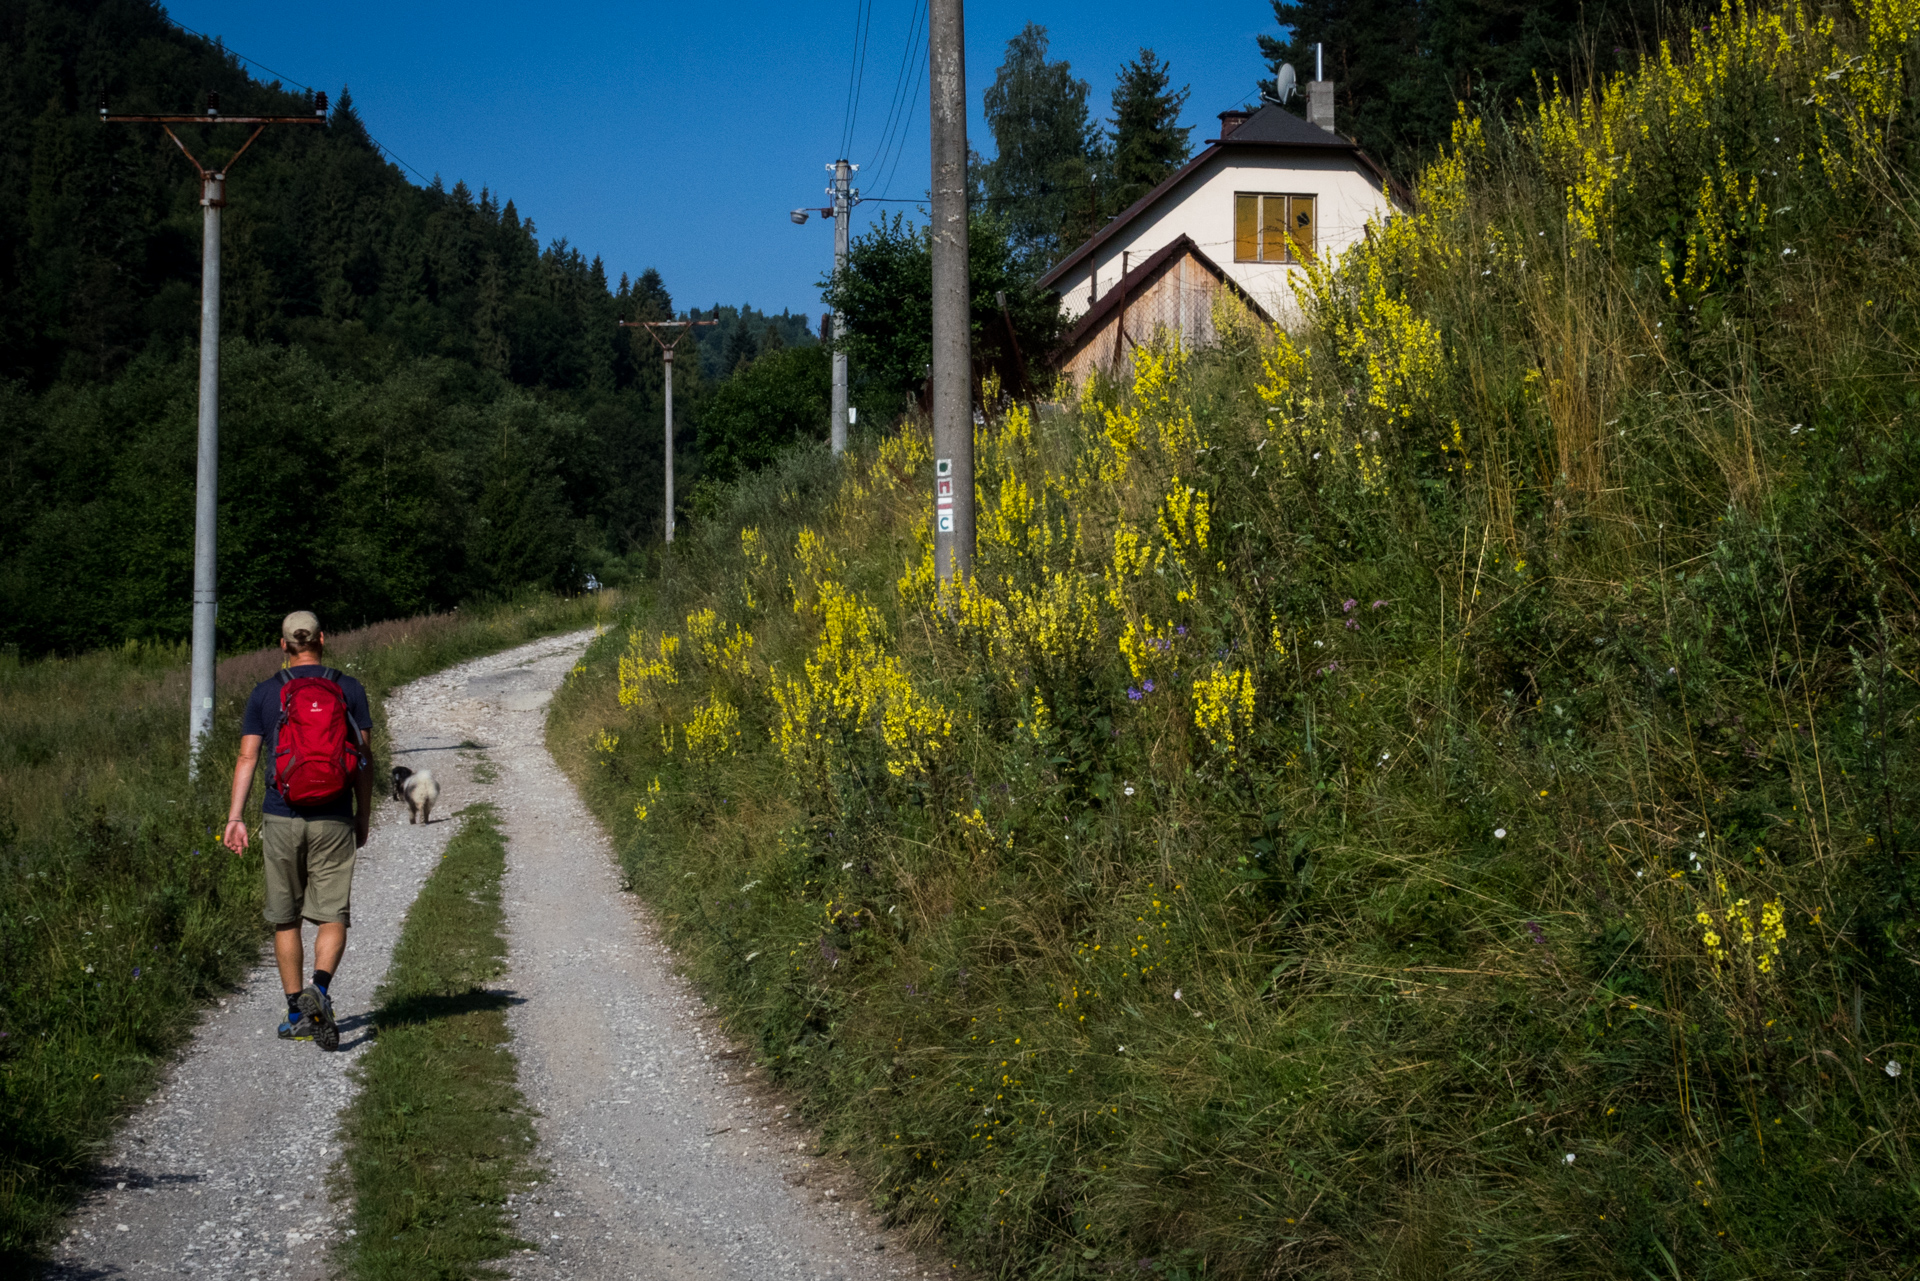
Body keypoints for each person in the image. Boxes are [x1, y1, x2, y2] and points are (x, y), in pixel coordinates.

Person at [221, 611, 373, 1050]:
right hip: (334, 816)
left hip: (281, 815)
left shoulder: (266, 693)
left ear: (283, 645)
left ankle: (295, 1013)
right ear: (323, 639)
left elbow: (248, 758)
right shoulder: (349, 689)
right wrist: (363, 814)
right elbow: (363, 759)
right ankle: (320, 991)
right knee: (332, 914)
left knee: (285, 917)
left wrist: (235, 818)